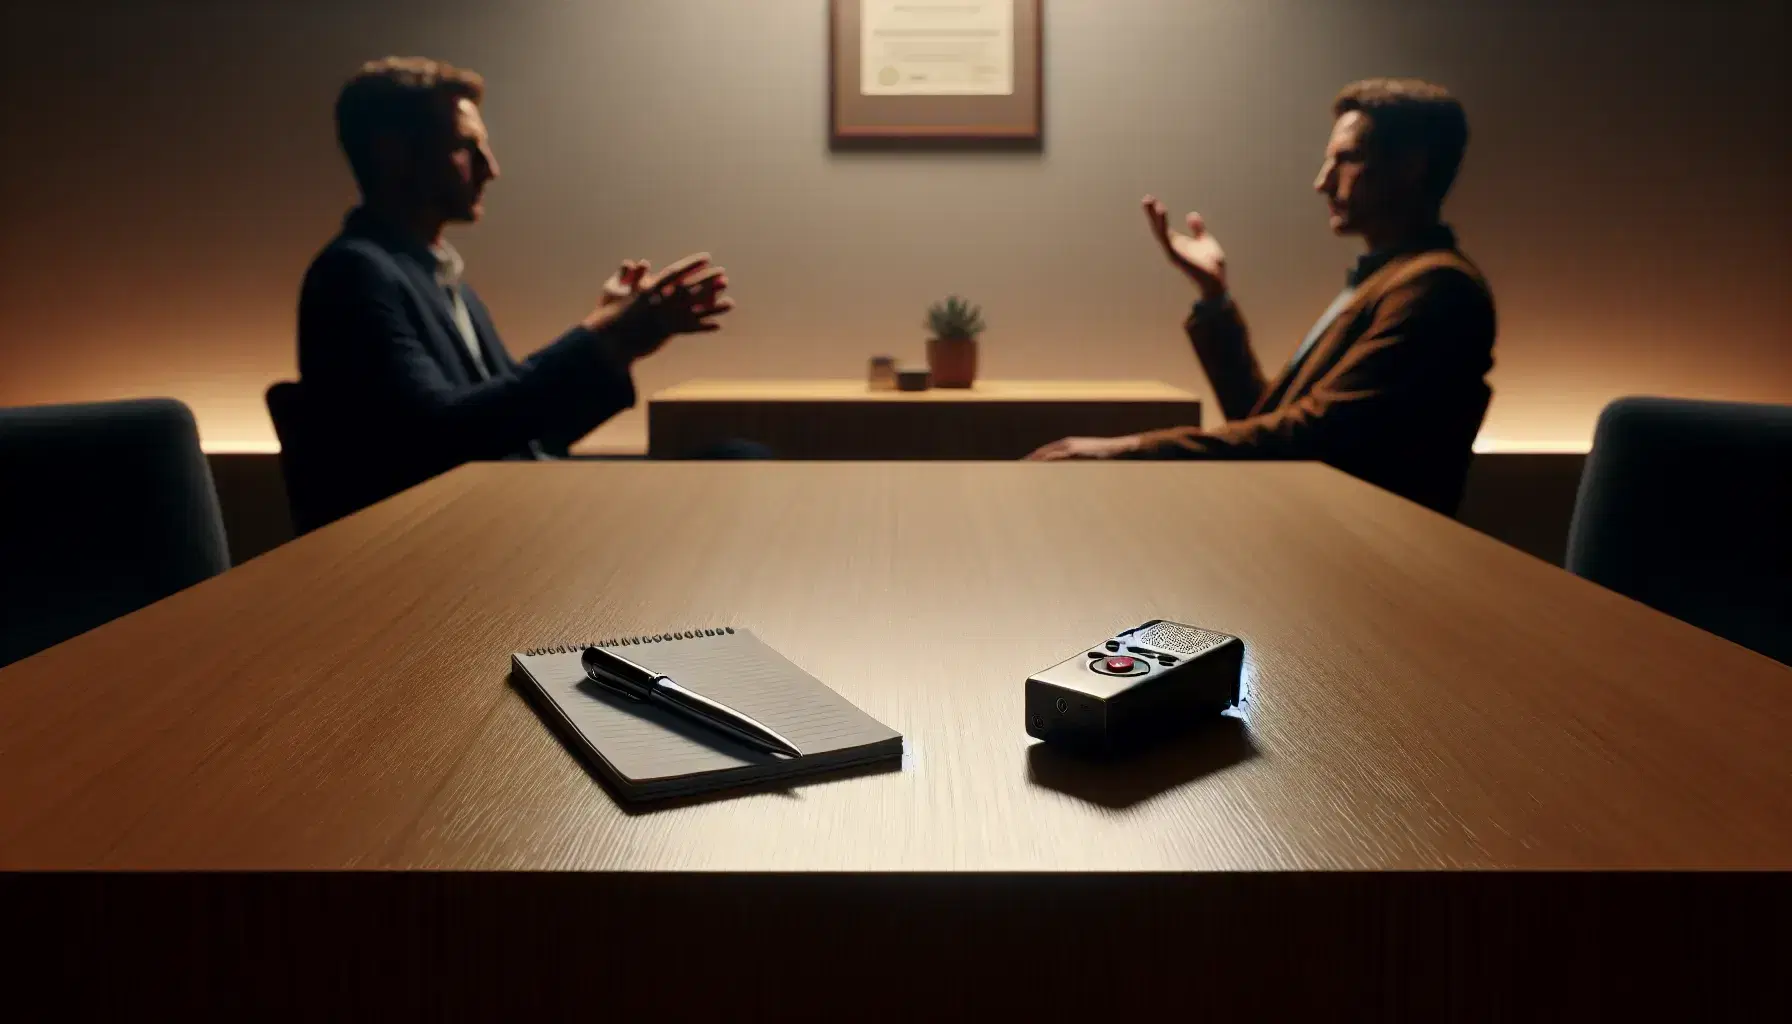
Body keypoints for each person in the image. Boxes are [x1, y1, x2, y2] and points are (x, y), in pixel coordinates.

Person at [293, 57, 742, 528]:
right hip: (466, 539)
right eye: (467, 148)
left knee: (735, 464)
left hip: (513, 512)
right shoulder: (353, 275)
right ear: (393, 154)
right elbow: (439, 441)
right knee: (737, 465)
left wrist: (619, 349)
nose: (491, 168)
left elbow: (525, 436)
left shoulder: (440, 282)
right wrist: (596, 338)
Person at [1027, 79, 1497, 517]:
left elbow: (1313, 439)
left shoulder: (1436, 290)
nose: (1323, 181)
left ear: (1412, 166)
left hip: (1367, 565)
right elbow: (1271, 423)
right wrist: (1214, 298)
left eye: (1347, 159)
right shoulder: (1389, 282)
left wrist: (1129, 451)